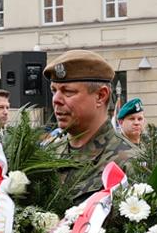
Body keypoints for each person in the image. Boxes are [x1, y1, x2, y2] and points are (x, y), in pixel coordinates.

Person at [46, 50, 138, 200]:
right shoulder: (49, 155)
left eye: (68, 92)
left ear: (101, 96)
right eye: (54, 91)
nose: (56, 99)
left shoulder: (129, 162)